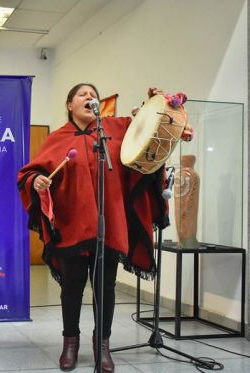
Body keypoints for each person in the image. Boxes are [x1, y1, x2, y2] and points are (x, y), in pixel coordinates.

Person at [18, 84, 170, 372]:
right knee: (72, 287)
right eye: (82, 95)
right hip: (72, 224)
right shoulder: (57, 138)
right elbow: (31, 172)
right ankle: (70, 344)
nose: (89, 98)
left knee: (106, 288)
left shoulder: (117, 128)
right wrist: (36, 181)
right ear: (69, 105)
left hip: (109, 224)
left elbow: (148, 140)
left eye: (93, 95)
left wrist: (153, 108)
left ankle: (103, 345)